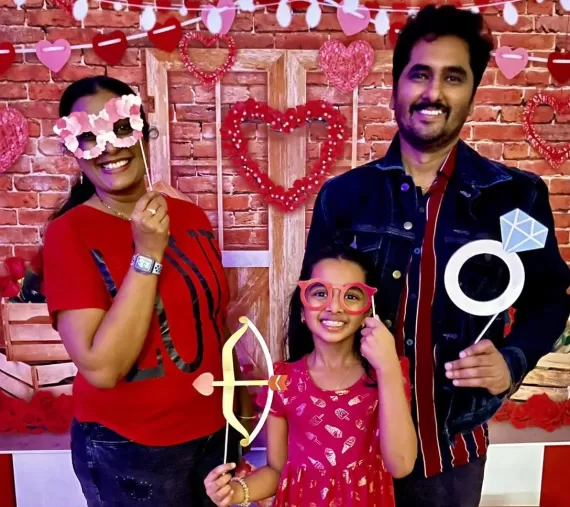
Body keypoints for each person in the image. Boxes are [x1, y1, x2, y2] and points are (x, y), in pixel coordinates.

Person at [304, 6, 570, 507]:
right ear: (396, 84)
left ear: (472, 90)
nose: (433, 92)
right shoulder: (345, 198)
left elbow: (549, 297)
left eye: (453, 77)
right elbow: (310, 314)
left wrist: (513, 361)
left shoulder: (513, 199)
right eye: (420, 74)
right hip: (347, 443)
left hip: (450, 451)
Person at [41, 76, 252, 507]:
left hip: (216, 436)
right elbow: (102, 369)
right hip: (131, 450)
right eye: (88, 136)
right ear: (73, 149)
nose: (109, 147)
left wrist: (241, 403)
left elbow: (215, 321)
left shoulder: (191, 216)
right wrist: (147, 253)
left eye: (119, 128)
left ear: (140, 127)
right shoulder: (69, 234)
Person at [204, 245, 417, 507]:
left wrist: (388, 369)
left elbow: (401, 465)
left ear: (367, 312)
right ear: (303, 309)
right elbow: (276, 472)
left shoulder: (387, 373)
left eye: (351, 296)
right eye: (320, 293)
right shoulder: (283, 381)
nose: (335, 306)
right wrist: (235, 491)